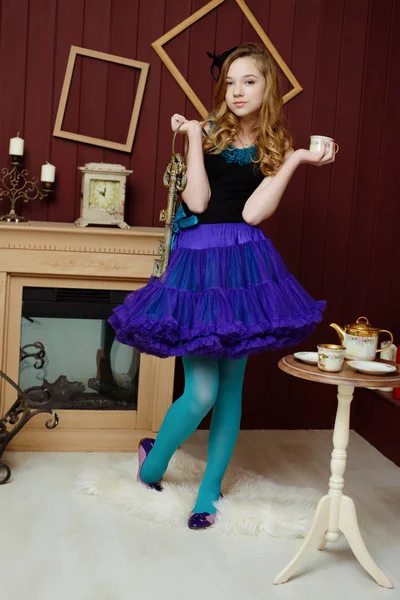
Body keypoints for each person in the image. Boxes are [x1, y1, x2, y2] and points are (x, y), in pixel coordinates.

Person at [108, 43, 335, 530]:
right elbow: (199, 199)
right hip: (198, 266)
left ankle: (207, 494)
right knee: (202, 391)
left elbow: (253, 213)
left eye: (248, 81)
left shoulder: (275, 143)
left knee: (231, 390)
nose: (236, 91)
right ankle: (152, 461)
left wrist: (295, 159)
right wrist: (193, 135)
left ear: (267, 86)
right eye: (230, 82)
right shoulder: (207, 131)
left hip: (245, 268)